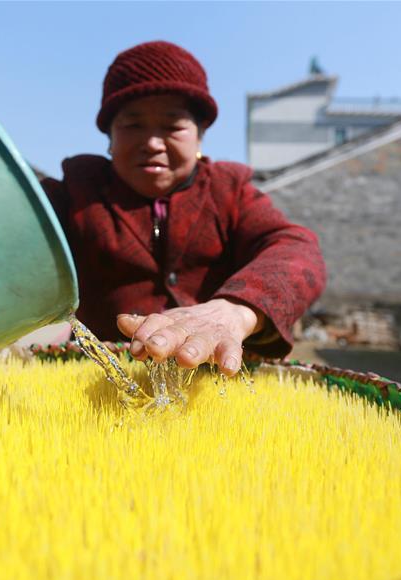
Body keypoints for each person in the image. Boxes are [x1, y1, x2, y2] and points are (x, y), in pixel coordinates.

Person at [41, 41, 326, 376]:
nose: (152, 143)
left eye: (173, 126)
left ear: (200, 136)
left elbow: (296, 249)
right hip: (100, 380)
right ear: (110, 137)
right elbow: (11, 238)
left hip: (211, 380)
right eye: (133, 125)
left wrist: (236, 310)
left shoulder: (229, 192)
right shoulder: (76, 192)